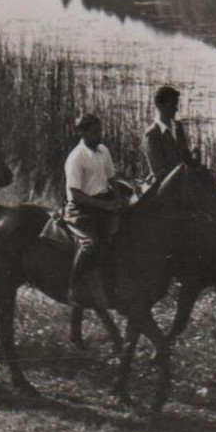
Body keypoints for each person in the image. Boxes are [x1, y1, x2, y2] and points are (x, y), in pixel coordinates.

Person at [62, 113, 124, 310]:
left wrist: (119, 198)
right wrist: (104, 206)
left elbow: (111, 178)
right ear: (83, 133)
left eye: (100, 130)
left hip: (103, 202)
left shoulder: (103, 151)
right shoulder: (76, 158)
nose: (100, 135)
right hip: (82, 209)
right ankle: (74, 287)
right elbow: (74, 194)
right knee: (90, 243)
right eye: (94, 132)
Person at [141, 85, 197, 186]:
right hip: (164, 188)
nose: (176, 109)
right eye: (173, 105)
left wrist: (196, 163)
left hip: (183, 183)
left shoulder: (178, 127)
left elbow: (186, 158)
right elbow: (159, 172)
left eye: (177, 105)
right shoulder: (152, 135)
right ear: (160, 106)